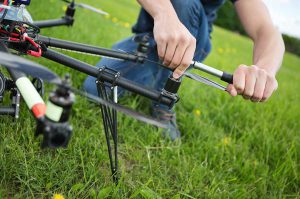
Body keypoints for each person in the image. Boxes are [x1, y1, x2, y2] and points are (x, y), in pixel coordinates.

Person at [84, 0, 285, 140]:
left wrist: (264, 70)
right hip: (151, 36)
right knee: (94, 89)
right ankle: (151, 68)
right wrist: (164, 14)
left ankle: (163, 103)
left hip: (194, 42)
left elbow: (266, 30)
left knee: (185, 2)